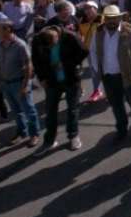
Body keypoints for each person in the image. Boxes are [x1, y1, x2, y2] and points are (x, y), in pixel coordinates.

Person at [90, 5, 131, 145]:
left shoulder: (130, 30)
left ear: (119, 18)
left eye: (114, 18)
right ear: (104, 18)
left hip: (128, 76)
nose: (111, 21)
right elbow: (93, 51)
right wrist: (97, 68)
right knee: (116, 106)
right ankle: (122, 131)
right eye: (108, 18)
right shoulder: (98, 31)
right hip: (109, 77)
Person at [31, 25, 89, 157]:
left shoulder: (71, 36)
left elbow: (84, 51)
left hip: (70, 79)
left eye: (53, 45)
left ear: (58, 37)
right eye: (48, 47)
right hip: (52, 81)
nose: (50, 48)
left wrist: (67, 63)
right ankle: (50, 140)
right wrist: (42, 78)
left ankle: (73, 136)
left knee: (72, 109)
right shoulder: (38, 39)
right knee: (50, 110)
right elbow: (36, 59)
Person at [0, 20, 40, 148]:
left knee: (28, 110)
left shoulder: (20, 45)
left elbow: (28, 66)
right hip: (6, 83)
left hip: (18, 82)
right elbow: (0, 64)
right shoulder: (0, 44)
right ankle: (22, 131)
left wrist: (26, 85)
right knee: (16, 111)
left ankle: (34, 134)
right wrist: (0, 80)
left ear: (8, 30)